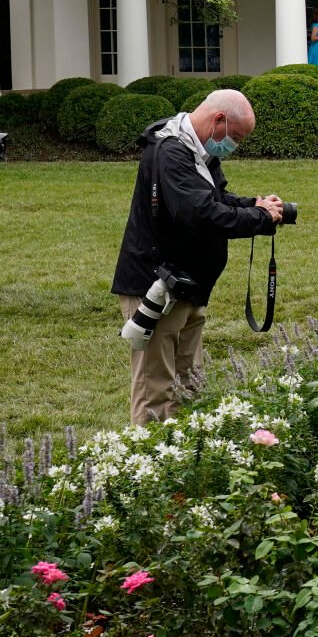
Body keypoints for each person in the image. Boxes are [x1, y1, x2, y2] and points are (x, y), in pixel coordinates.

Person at [112, 89, 283, 425]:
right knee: (156, 389)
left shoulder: (198, 150)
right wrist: (259, 219)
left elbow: (215, 198)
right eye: (235, 136)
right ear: (218, 121)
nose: (235, 145)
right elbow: (200, 215)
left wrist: (254, 205)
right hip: (156, 285)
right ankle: (148, 466)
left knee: (190, 383)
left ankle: (189, 461)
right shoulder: (171, 151)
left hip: (187, 284)